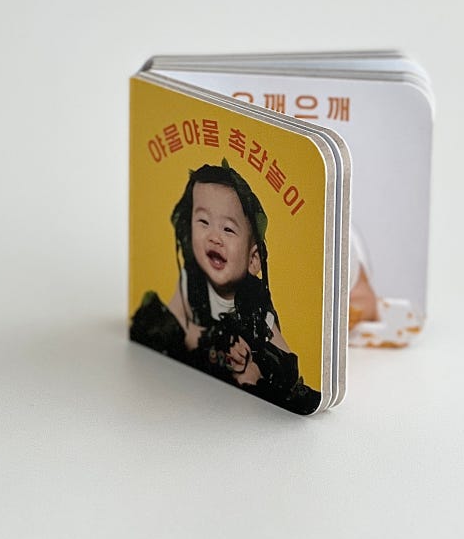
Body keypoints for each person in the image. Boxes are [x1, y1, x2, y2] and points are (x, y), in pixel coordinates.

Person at [130, 160, 321, 414]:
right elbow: (174, 327)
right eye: (203, 221)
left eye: (228, 229)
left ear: (253, 259)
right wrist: (207, 340)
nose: (214, 237)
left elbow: (286, 364)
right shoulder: (191, 281)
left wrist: (254, 361)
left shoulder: (256, 308)